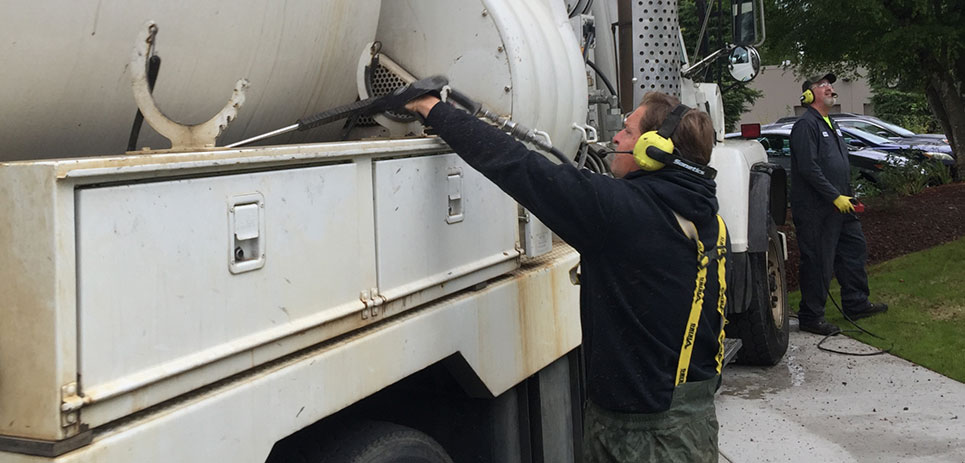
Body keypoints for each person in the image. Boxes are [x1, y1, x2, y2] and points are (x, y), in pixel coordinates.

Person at [407, 91, 726, 462]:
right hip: (694, 422)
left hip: (643, 438)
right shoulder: (708, 219)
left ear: (653, 150)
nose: (616, 139)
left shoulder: (621, 212)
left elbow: (518, 166)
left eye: (626, 130)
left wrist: (437, 111)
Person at [789, 73, 888, 335]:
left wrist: (848, 195)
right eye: (823, 86)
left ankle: (856, 303)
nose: (830, 88)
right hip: (816, 209)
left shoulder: (831, 123)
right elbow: (809, 168)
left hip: (842, 205)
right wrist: (834, 196)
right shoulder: (805, 126)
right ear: (808, 95)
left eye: (830, 85)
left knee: (854, 250)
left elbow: (838, 164)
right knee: (818, 261)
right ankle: (811, 316)